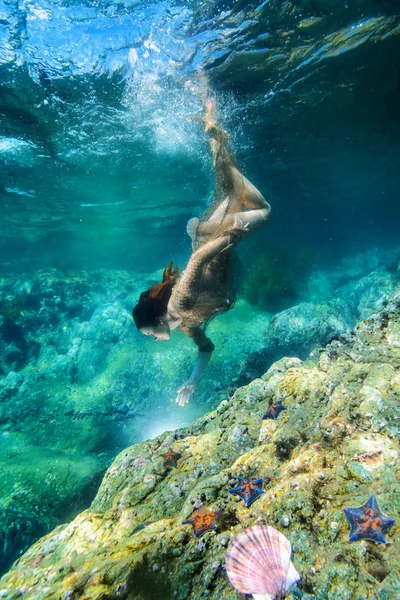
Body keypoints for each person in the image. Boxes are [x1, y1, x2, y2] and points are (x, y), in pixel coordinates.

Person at [132, 95, 271, 406]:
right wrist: (191, 383)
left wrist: (232, 237)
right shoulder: (187, 326)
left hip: (213, 235)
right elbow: (206, 349)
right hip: (213, 237)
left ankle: (215, 135)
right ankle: (215, 136)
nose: (154, 339)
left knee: (261, 208)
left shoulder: (180, 302)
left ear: (157, 319)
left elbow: (197, 258)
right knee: (230, 182)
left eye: (151, 334)